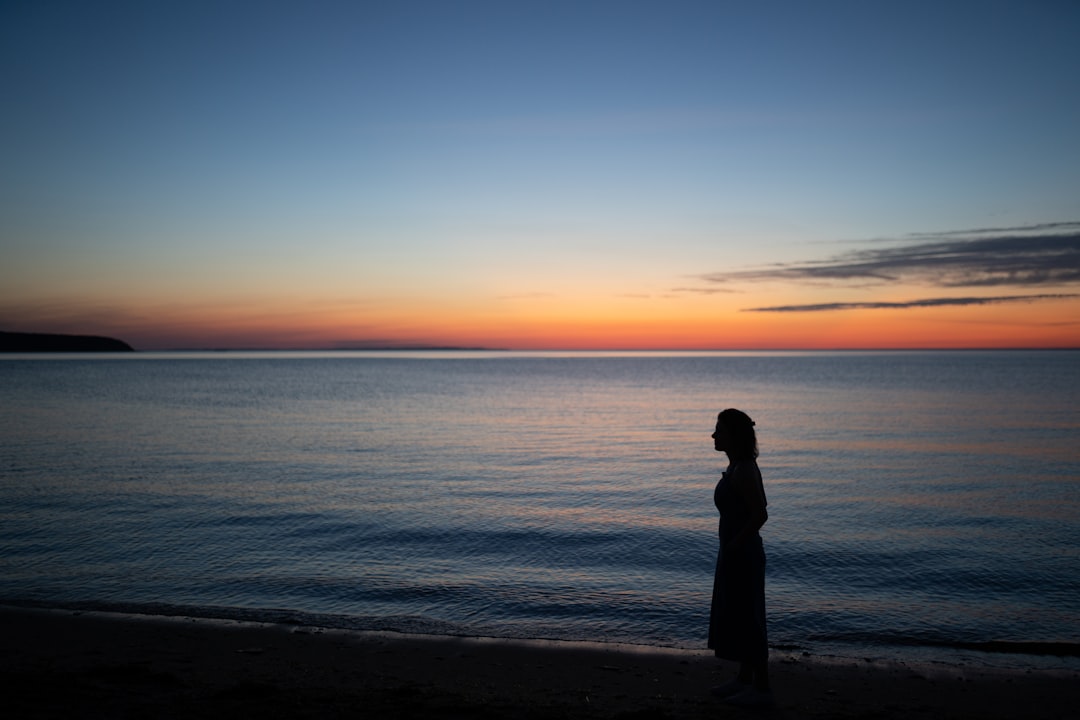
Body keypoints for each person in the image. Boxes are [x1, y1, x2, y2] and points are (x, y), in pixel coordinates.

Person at [707, 408, 773, 707]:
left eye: (719, 430)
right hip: (734, 551)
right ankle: (744, 679)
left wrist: (735, 544)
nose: (713, 435)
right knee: (739, 616)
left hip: (742, 554)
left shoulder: (745, 469)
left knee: (750, 620)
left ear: (733, 435)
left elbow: (761, 513)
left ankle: (761, 688)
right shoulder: (737, 466)